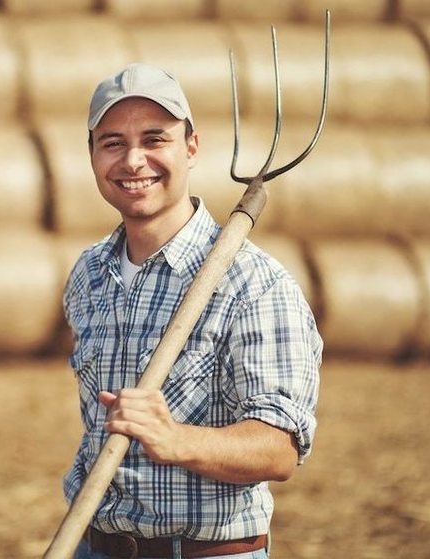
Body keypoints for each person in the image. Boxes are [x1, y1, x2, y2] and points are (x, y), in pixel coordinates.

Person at [62, 62, 322, 559]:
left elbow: (280, 449)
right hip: (91, 545)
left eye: (155, 139)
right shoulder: (89, 274)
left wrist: (173, 439)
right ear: (92, 155)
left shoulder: (254, 284)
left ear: (192, 147)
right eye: (113, 142)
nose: (133, 160)